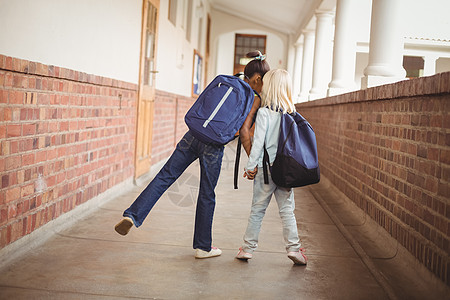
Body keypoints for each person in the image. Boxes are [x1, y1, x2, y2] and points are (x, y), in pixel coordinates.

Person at [115, 51, 270, 259]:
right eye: (264, 83)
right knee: (207, 193)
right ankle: (203, 247)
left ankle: (132, 215)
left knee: (164, 176)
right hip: (213, 145)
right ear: (258, 79)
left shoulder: (226, 81)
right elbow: (243, 132)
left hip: (193, 134)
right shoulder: (253, 97)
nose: (264, 88)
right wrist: (253, 161)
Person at [236, 69, 308, 265]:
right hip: (285, 171)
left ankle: (247, 249)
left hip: (265, 172)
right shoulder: (293, 114)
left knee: (257, 210)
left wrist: (250, 167)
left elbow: (257, 144)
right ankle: (294, 248)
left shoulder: (264, 113)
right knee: (287, 210)